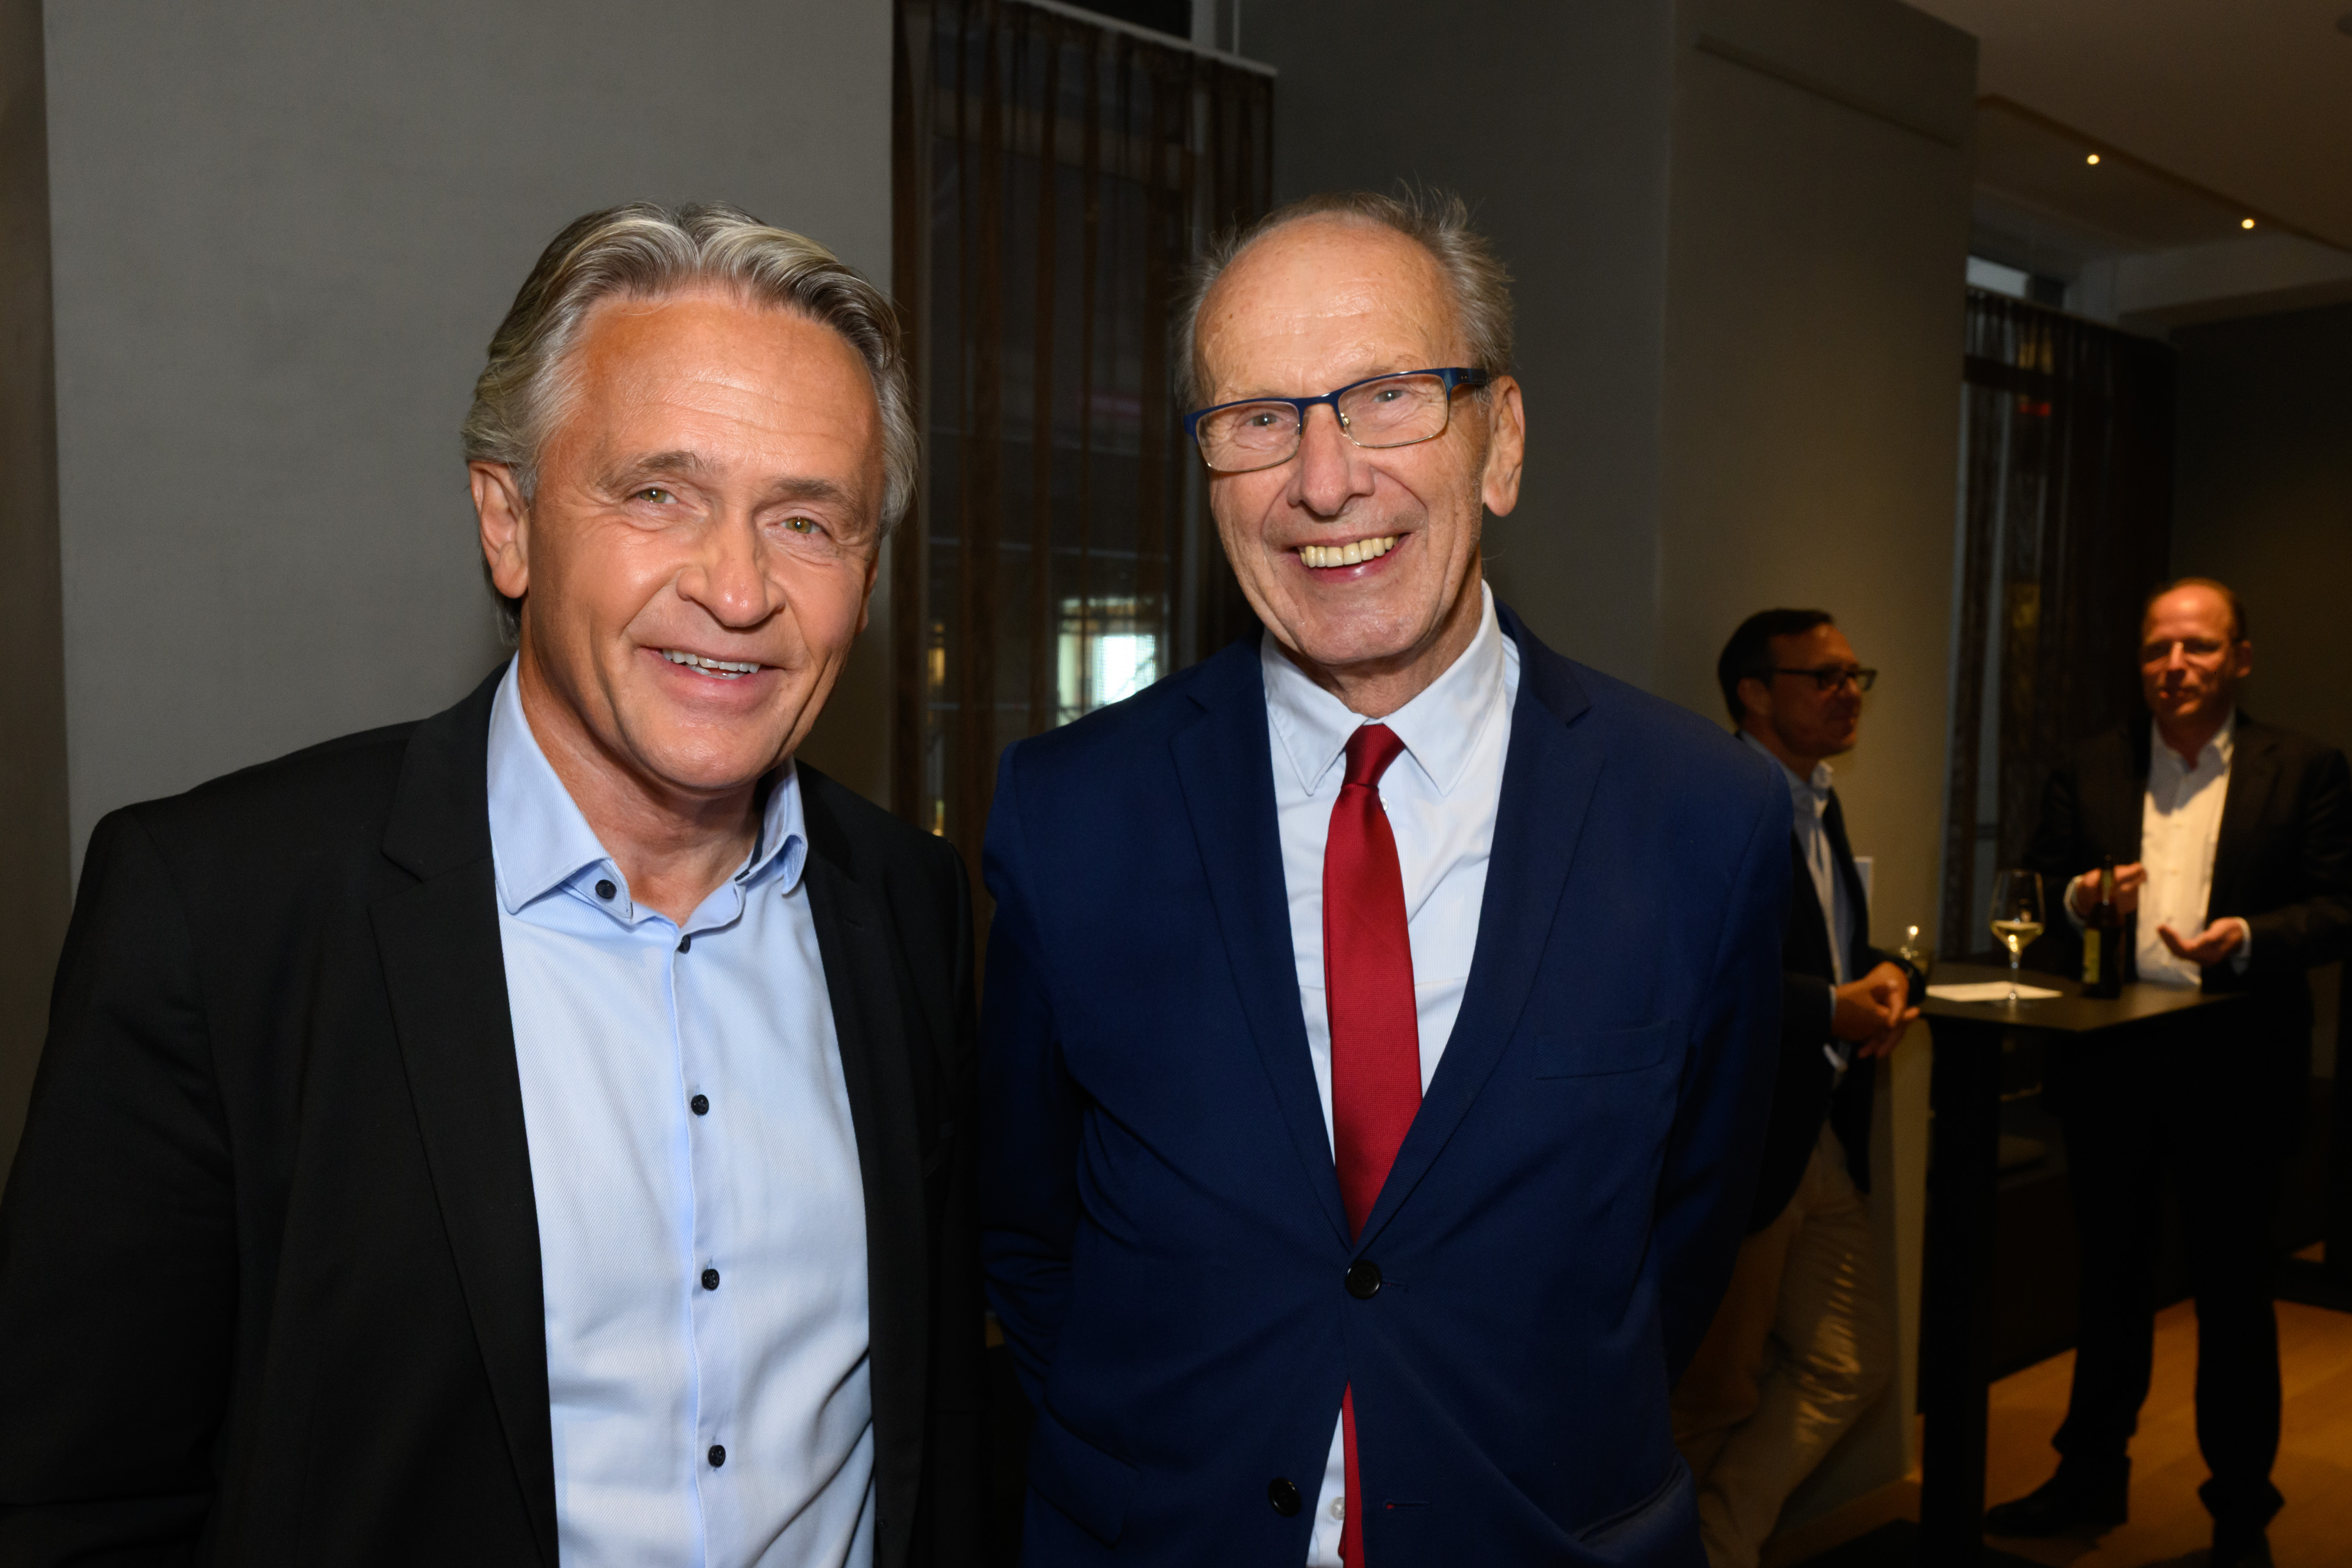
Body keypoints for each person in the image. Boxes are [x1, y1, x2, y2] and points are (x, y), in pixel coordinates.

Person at [0, 204, 981, 1567]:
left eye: (808, 520)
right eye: (659, 493)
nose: (738, 587)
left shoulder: (909, 905)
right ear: (507, 522)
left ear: (864, 578)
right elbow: (77, 1497)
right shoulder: (218, 915)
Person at [978, 188, 1788, 1565]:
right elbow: (1025, 1227)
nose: (1324, 478)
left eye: (1387, 396)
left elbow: (1697, 1218)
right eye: (1257, 417)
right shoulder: (1068, 812)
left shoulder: (1700, 816)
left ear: (1500, 440)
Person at [1992, 578, 2351, 1568]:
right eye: (2158, 648)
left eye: (2198, 647)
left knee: (2233, 1294)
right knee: (2107, 1283)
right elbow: (2040, 882)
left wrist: (2248, 937)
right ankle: (2088, 1476)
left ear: (2241, 659)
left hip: (2237, 1065)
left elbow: (2339, 906)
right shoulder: (2091, 764)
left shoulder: (2306, 768)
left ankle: (2240, 1511)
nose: (2175, 666)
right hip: (2114, 1061)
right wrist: (2081, 898)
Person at [1669, 610, 1917, 1568]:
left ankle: (1718, 1545)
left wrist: (1893, 978)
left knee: (1853, 1361)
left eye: (1856, 676)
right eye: (1824, 677)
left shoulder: (1815, 798)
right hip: (1741, 1140)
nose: (1848, 694)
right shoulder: (1712, 796)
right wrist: (1828, 1008)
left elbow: (1826, 952)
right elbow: (1688, 973)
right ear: (1754, 694)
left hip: (1817, 1130)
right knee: (1712, 1395)